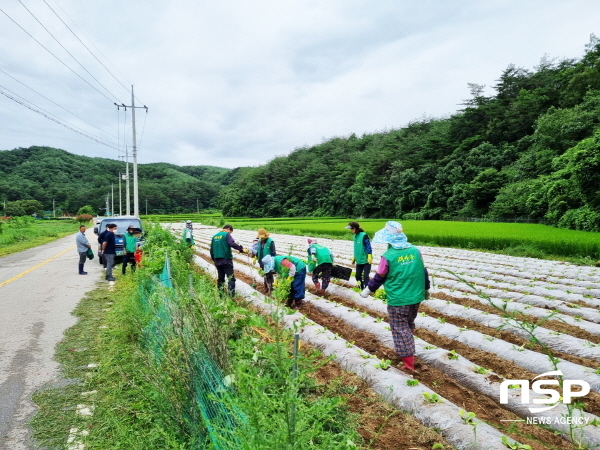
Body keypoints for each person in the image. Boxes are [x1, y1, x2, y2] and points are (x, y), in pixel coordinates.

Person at [360, 221, 430, 372]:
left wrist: (368, 290)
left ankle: (408, 364)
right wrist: (426, 288)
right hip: (416, 297)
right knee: (408, 324)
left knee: (399, 329)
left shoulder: (388, 256)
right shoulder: (415, 251)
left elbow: (380, 277)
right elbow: (423, 271)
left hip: (398, 299)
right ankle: (408, 353)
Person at [210, 224, 247, 296]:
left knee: (221, 278)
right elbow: (231, 243)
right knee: (231, 278)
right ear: (228, 229)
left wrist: (214, 260)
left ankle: (221, 295)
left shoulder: (214, 236)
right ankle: (231, 295)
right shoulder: (226, 234)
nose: (230, 234)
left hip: (217, 261)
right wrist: (241, 248)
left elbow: (211, 250)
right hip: (226, 260)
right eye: (230, 232)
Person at [345, 221, 373, 289]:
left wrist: (369, 255)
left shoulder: (364, 235)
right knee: (357, 276)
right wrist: (354, 257)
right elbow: (356, 247)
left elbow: (368, 246)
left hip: (366, 260)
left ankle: (367, 290)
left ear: (354, 228)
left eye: (351, 229)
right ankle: (361, 287)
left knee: (366, 276)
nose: (350, 230)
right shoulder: (355, 236)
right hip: (359, 260)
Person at [255, 228, 276, 293]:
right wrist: (255, 257)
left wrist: (272, 262)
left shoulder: (270, 242)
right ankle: (266, 287)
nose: (262, 238)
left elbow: (273, 253)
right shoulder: (259, 241)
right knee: (264, 274)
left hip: (269, 262)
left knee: (269, 274)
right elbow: (258, 251)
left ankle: (271, 288)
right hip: (261, 261)